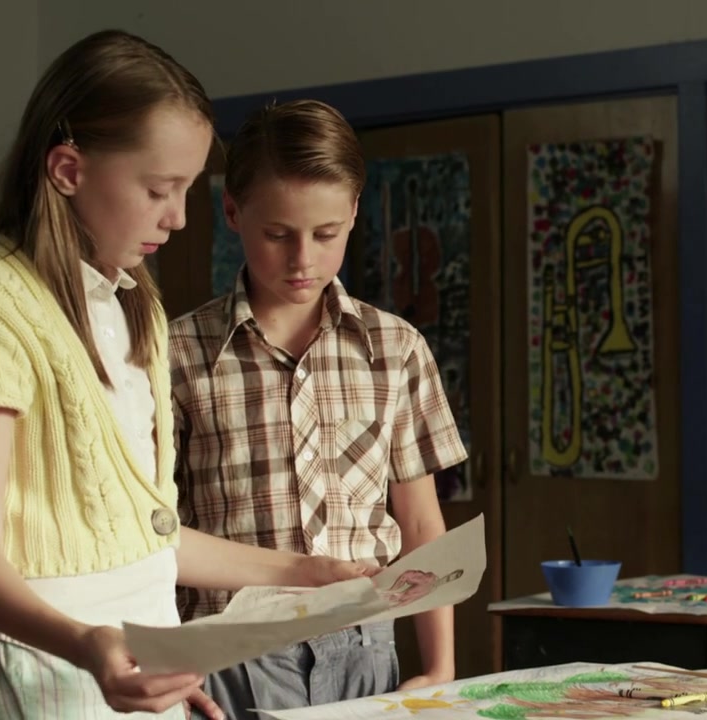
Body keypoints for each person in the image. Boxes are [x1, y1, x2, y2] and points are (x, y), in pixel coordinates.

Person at [0, 32, 376, 720]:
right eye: (160, 189)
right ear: (67, 169)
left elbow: (147, 539)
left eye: (188, 189)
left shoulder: (137, 305)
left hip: (141, 668)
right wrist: (88, 644)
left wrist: (301, 572)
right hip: (34, 677)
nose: (179, 217)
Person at [169, 99, 468, 719]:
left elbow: (420, 524)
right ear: (233, 212)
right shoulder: (176, 354)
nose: (302, 259)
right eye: (278, 235)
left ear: (354, 211)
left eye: (326, 234)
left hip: (365, 646)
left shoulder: (396, 349)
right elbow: (151, 531)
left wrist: (440, 666)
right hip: (227, 652)